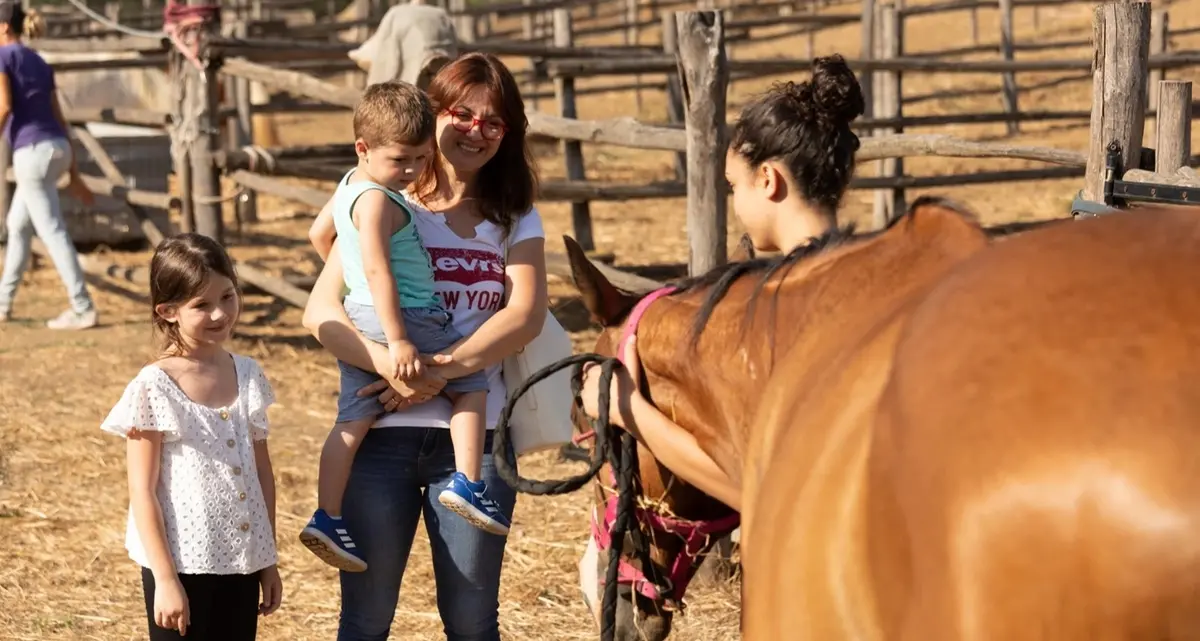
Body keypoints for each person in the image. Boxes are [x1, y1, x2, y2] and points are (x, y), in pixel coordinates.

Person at [301, 52, 546, 641]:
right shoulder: (384, 201)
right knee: (366, 620)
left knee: (471, 622)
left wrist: (443, 370)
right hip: (379, 437)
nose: (476, 131)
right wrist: (391, 365)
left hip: (476, 444)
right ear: (432, 113)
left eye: (493, 122)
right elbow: (321, 312)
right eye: (462, 114)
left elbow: (525, 315)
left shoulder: (515, 217)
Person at [577, 54, 867, 512]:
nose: (735, 201)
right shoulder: (866, 275)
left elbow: (754, 491)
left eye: (734, 185)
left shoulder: (787, 306)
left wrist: (625, 409)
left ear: (767, 180)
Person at [99, 233, 283, 640]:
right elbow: (142, 490)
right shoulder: (154, 386)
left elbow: (261, 475)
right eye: (201, 305)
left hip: (242, 561)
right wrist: (165, 580)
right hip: (180, 565)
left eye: (228, 296)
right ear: (168, 311)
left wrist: (267, 559)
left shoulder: (248, 374)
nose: (220, 314)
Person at [0, 1, 99, 330]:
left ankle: (83, 307)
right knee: (18, 225)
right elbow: (60, 119)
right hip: (57, 148)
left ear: (4, 27)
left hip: (32, 154)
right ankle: (3, 304)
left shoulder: (3, 56)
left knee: (52, 231)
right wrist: (73, 172)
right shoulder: (40, 62)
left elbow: (4, 106)